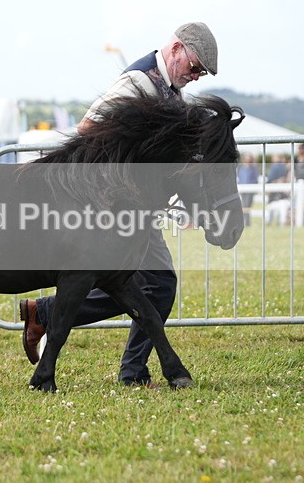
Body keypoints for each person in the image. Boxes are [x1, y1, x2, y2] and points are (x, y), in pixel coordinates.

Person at [20, 22, 218, 387]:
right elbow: (86, 129)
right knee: (155, 285)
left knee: (143, 285)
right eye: (195, 66)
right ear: (176, 49)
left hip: (133, 211)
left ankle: (47, 314)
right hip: (114, 210)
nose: (196, 75)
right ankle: (131, 372)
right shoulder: (136, 85)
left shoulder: (169, 90)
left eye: (201, 72)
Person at [264, 154, 290, 226]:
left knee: (282, 208)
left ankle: (281, 224)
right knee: (270, 211)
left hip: (283, 199)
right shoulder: (281, 169)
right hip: (274, 199)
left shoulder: (283, 169)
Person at [237, 153, 259, 225]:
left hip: (250, 190)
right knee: (244, 206)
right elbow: (239, 177)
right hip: (243, 189)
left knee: (247, 206)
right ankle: (246, 222)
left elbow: (255, 179)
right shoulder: (240, 167)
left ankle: (246, 223)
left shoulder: (253, 168)